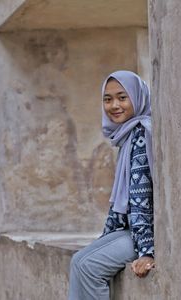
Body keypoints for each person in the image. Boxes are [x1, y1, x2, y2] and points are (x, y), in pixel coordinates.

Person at [68, 70, 154, 300]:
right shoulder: (128, 136)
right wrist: (104, 240)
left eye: (122, 97)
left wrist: (147, 252)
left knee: (86, 265)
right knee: (80, 260)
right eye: (108, 99)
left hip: (148, 232)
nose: (114, 105)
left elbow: (141, 197)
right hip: (134, 229)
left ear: (137, 97)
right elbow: (120, 206)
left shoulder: (142, 134)